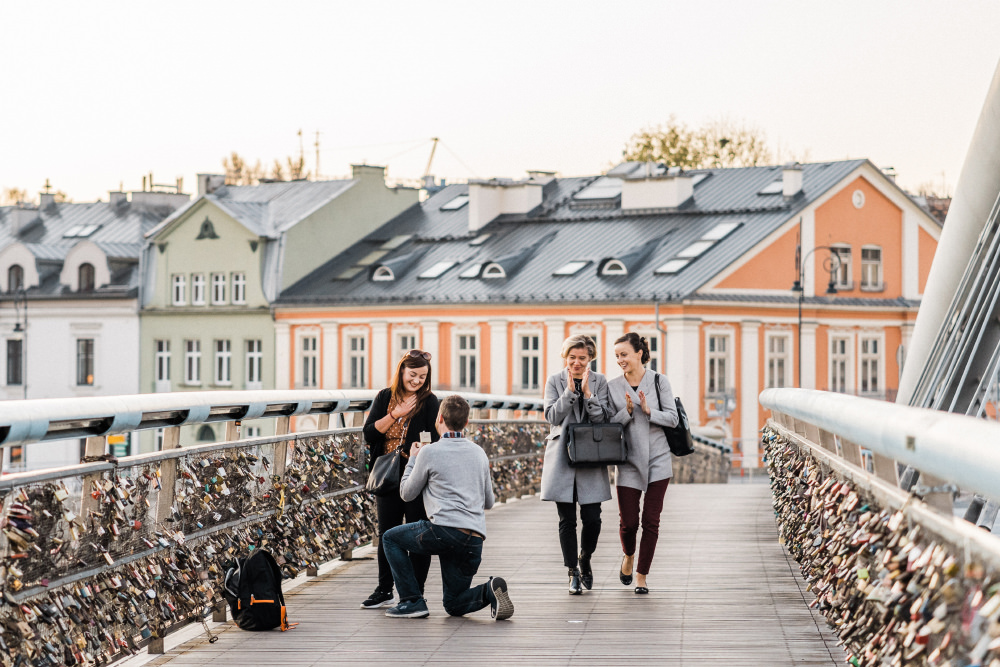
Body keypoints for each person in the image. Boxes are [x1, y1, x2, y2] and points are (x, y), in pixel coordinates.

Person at [381, 395, 514, 621]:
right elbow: (489, 502)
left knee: (390, 539)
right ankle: (489, 589)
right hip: (473, 539)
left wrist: (413, 459)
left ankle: (411, 600)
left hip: (443, 532)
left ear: (439, 418)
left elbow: (406, 493)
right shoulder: (478, 452)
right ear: (467, 423)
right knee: (453, 604)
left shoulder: (429, 452)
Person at [360, 350, 440, 609]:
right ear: (402, 372)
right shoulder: (385, 397)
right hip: (387, 473)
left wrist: (421, 446)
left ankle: (416, 592)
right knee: (387, 533)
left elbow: (436, 439)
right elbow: (370, 434)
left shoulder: (430, 401)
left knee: (418, 533)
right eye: (413, 374)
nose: (417, 380)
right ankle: (385, 589)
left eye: (422, 376)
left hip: (417, 474)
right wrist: (395, 413)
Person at [607, 332, 679, 594]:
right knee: (628, 523)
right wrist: (625, 413)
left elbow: (673, 419)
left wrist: (650, 411)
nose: (620, 360)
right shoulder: (612, 386)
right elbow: (607, 426)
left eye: (624, 354)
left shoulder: (659, 382)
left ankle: (641, 575)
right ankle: (628, 555)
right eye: (616, 356)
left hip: (658, 459)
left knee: (651, 521)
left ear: (639, 353)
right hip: (627, 460)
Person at [540, 334, 611, 595]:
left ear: (590, 358)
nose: (577, 363)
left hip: (591, 455)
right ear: (565, 358)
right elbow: (551, 416)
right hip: (562, 456)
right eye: (572, 358)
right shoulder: (554, 381)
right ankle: (572, 572)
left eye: (582, 358)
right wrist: (570, 393)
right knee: (566, 520)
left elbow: (603, 418)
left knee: (593, 518)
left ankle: (586, 558)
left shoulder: (600, 381)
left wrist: (590, 396)